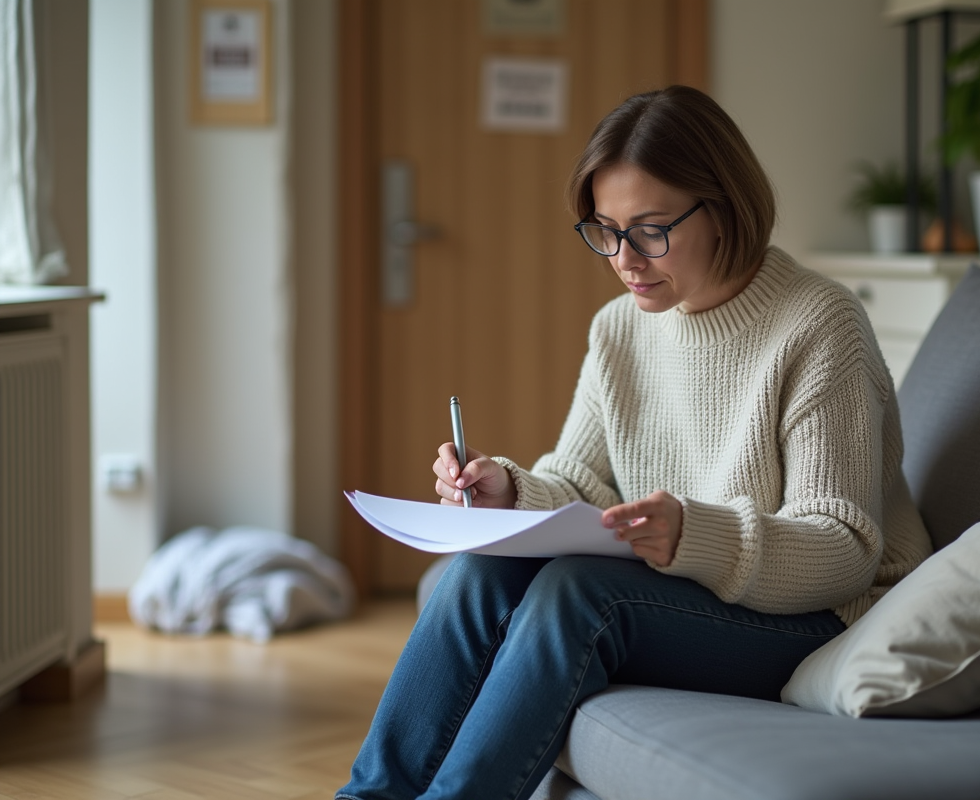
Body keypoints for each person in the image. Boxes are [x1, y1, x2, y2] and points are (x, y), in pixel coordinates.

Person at [335, 85, 931, 800]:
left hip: (818, 618)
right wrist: (512, 491)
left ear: (724, 208)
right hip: (690, 593)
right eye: (605, 230)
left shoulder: (819, 323)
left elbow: (844, 552)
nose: (624, 258)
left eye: (650, 230)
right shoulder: (620, 328)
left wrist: (693, 534)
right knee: (479, 570)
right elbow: (580, 481)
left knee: (581, 595)